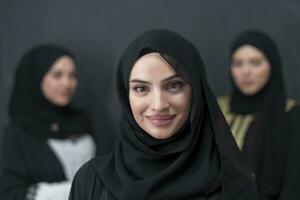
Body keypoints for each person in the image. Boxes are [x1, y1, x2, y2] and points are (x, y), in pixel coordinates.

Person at [69, 29, 258, 200]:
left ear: (196, 92)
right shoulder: (91, 181)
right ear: (126, 96)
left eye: (174, 86)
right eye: (141, 88)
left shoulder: (232, 187)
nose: (159, 105)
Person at [0, 45, 97, 200]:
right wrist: (77, 189)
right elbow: (11, 194)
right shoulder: (19, 132)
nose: (67, 83)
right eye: (57, 75)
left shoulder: (81, 121)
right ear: (37, 77)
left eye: (72, 75)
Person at [218, 30, 300, 199]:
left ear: (272, 65)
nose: (245, 72)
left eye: (255, 63)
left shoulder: (290, 113)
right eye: (238, 64)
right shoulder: (220, 108)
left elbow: (293, 186)